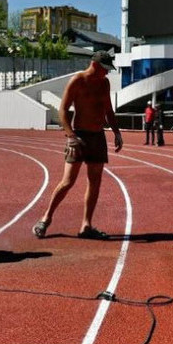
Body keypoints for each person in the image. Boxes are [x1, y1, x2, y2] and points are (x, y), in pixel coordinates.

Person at [33, 50, 123, 240]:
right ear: (96, 65)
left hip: (97, 136)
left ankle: (86, 225)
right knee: (68, 181)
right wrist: (70, 136)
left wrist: (116, 132)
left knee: (95, 181)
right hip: (79, 136)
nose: (107, 73)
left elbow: (109, 110)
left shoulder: (104, 83)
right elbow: (63, 110)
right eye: (105, 69)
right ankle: (46, 218)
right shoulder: (78, 80)